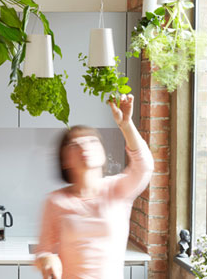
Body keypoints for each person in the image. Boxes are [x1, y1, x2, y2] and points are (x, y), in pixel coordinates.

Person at [35, 94, 154, 279]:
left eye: (92, 141)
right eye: (75, 144)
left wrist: (126, 124)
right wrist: (48, 259)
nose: (84, 147)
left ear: (103, 153)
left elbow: (144, 165)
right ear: (65, 159)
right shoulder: (55, 201)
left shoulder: (117, 189)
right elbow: (43, 250)